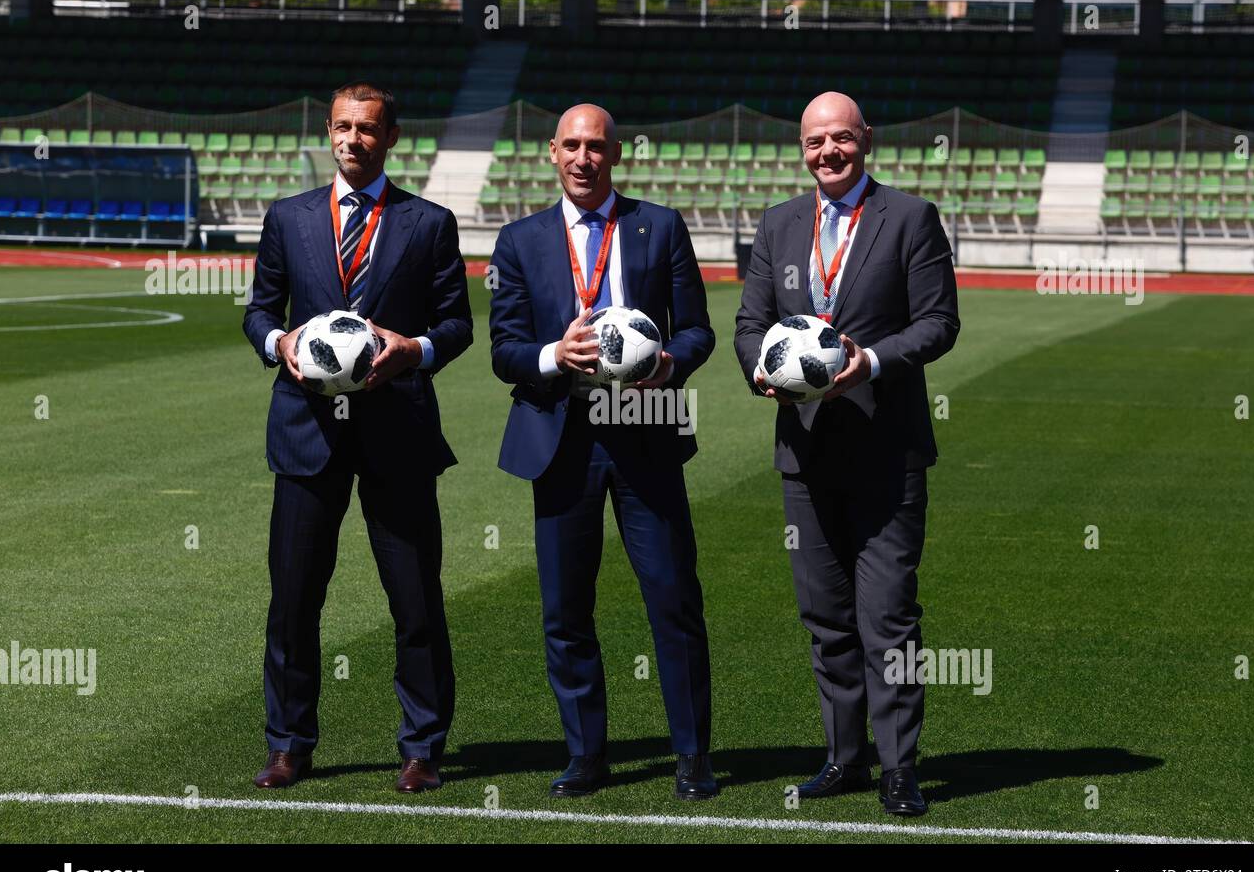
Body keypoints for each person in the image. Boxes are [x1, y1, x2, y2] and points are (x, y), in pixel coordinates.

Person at [733, 91, 959, 816]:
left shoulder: (911, 218)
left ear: (866, 140)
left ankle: (900, 767)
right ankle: (844, 759)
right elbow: (750, 325)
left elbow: (939, 323)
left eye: (841, 139)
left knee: (887, 616)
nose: (828, 152)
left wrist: (874, 362)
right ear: (801, 148)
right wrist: (761, 368)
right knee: (825, 617)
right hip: (805, 453)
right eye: (814, 142)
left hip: (887, 452)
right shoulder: (779, 223)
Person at [242, 82, 472, 793]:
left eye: (367, 129)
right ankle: (288, 743)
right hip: (306, 430)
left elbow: (458, 324)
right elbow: (258, 310)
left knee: (414, 596)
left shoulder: (428, 222)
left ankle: (423, 748)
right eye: (342, 127)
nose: (352, 139)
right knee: (295, 597)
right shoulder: (289, 217)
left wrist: (415, 350)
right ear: (329, 132)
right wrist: (280, 341)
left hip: (396, 429)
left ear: (391, 137)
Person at [488, 104, 718, 800]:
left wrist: (670, 363)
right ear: (551, 154)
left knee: (673, 600)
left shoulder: (660, 226)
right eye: (572, 146)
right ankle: (587, 756)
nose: (584, 158)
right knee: (566, 610)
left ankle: (692, 757)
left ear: (616, 154)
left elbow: (700, 330)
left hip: (645, 428)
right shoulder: (519, 240)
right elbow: (504, 350)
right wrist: (553, 354)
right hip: (560, 442)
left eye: (597, 146)